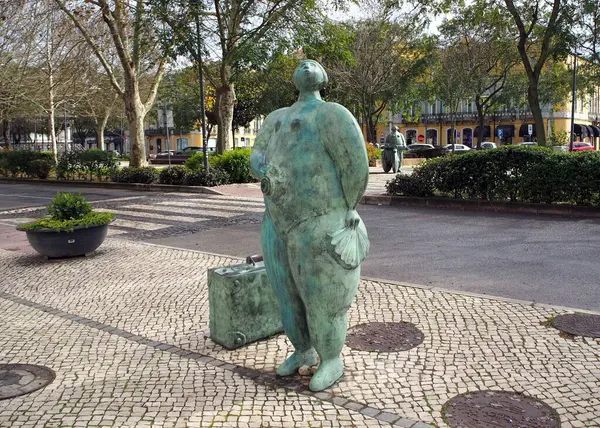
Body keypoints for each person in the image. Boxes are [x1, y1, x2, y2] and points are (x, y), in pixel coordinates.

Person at [249, 60, 369, 392]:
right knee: (286, 295)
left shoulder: (332, 114)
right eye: (300, 64)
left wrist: (345, 209)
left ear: (321, 78)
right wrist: (260, 165)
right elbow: (256, 155)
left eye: (311, 64)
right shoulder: (275, 119)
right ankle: (303, 350)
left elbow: (356, 166)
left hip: (320, 220)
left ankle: (331, 358)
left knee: (324, 299)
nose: (306, 65)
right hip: (276, 219)